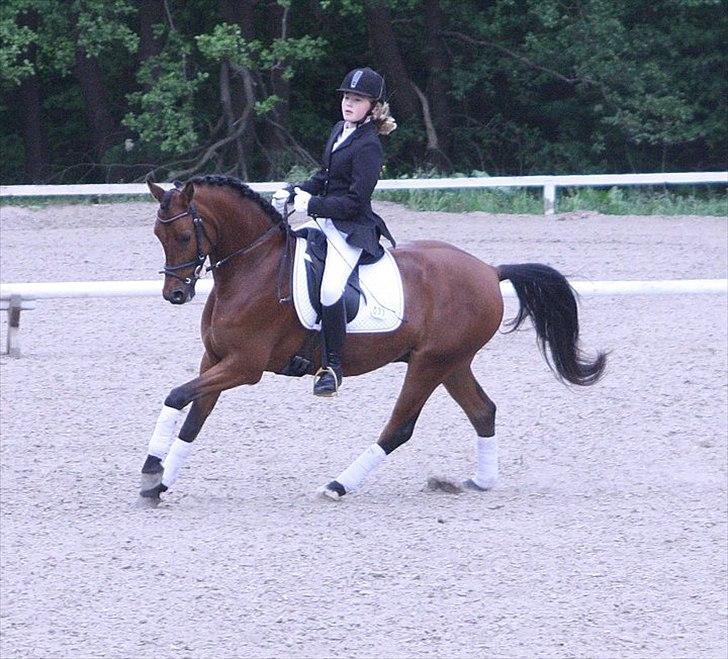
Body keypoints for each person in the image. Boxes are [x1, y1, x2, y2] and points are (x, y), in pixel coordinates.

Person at [272, 67, 397, 397]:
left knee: (330, 291)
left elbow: (356, 202)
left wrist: (311, 205)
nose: (348, 104)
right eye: (346, 97)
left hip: (351, 230)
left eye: (356, 99)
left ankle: (332, 367)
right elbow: (325, 177)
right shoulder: (340, 130)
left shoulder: (369, 146)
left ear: (372, 106)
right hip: (324, 222)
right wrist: (295, 190)